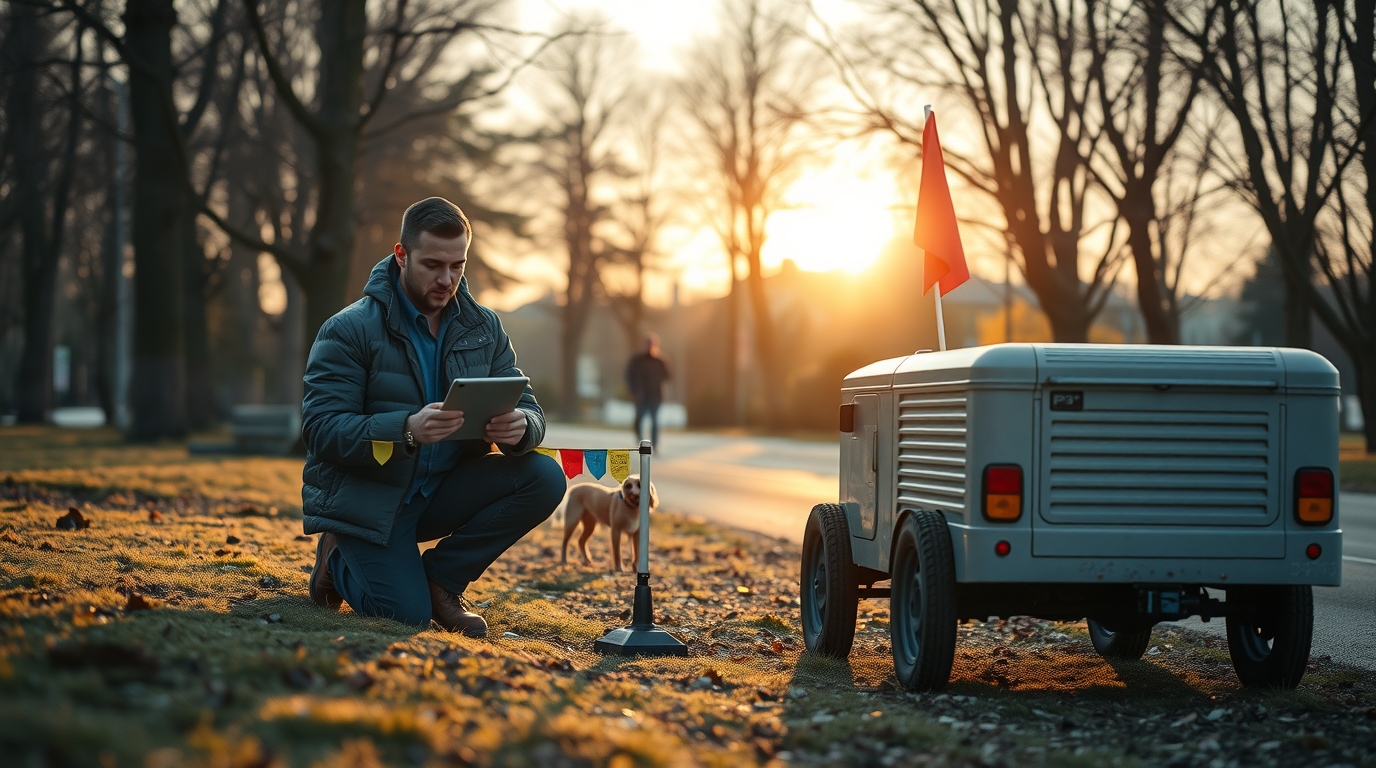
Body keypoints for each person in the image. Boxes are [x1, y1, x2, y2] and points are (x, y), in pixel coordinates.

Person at [301, 197, 565, 636]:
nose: (447, 279)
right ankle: (337, 560)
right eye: (433, 264)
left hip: (443, 490)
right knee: (406, 617)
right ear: (401, 255)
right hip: (372, 498)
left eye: (457, 265)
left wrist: (522, 427)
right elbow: (320, 430)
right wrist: (405, 429)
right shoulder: (348, 329)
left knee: (544, 476)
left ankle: (441, 581)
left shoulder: (484, 327)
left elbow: (530, 406)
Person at [624, 332, 671, 446]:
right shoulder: (636, 360)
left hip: (655, 395)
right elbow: (629, 375)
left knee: (655, 421)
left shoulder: (660, 360)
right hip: (641, 395)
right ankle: (640, 440)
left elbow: (668, 376)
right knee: (639, 419)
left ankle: (654, 444)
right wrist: (633, 390)